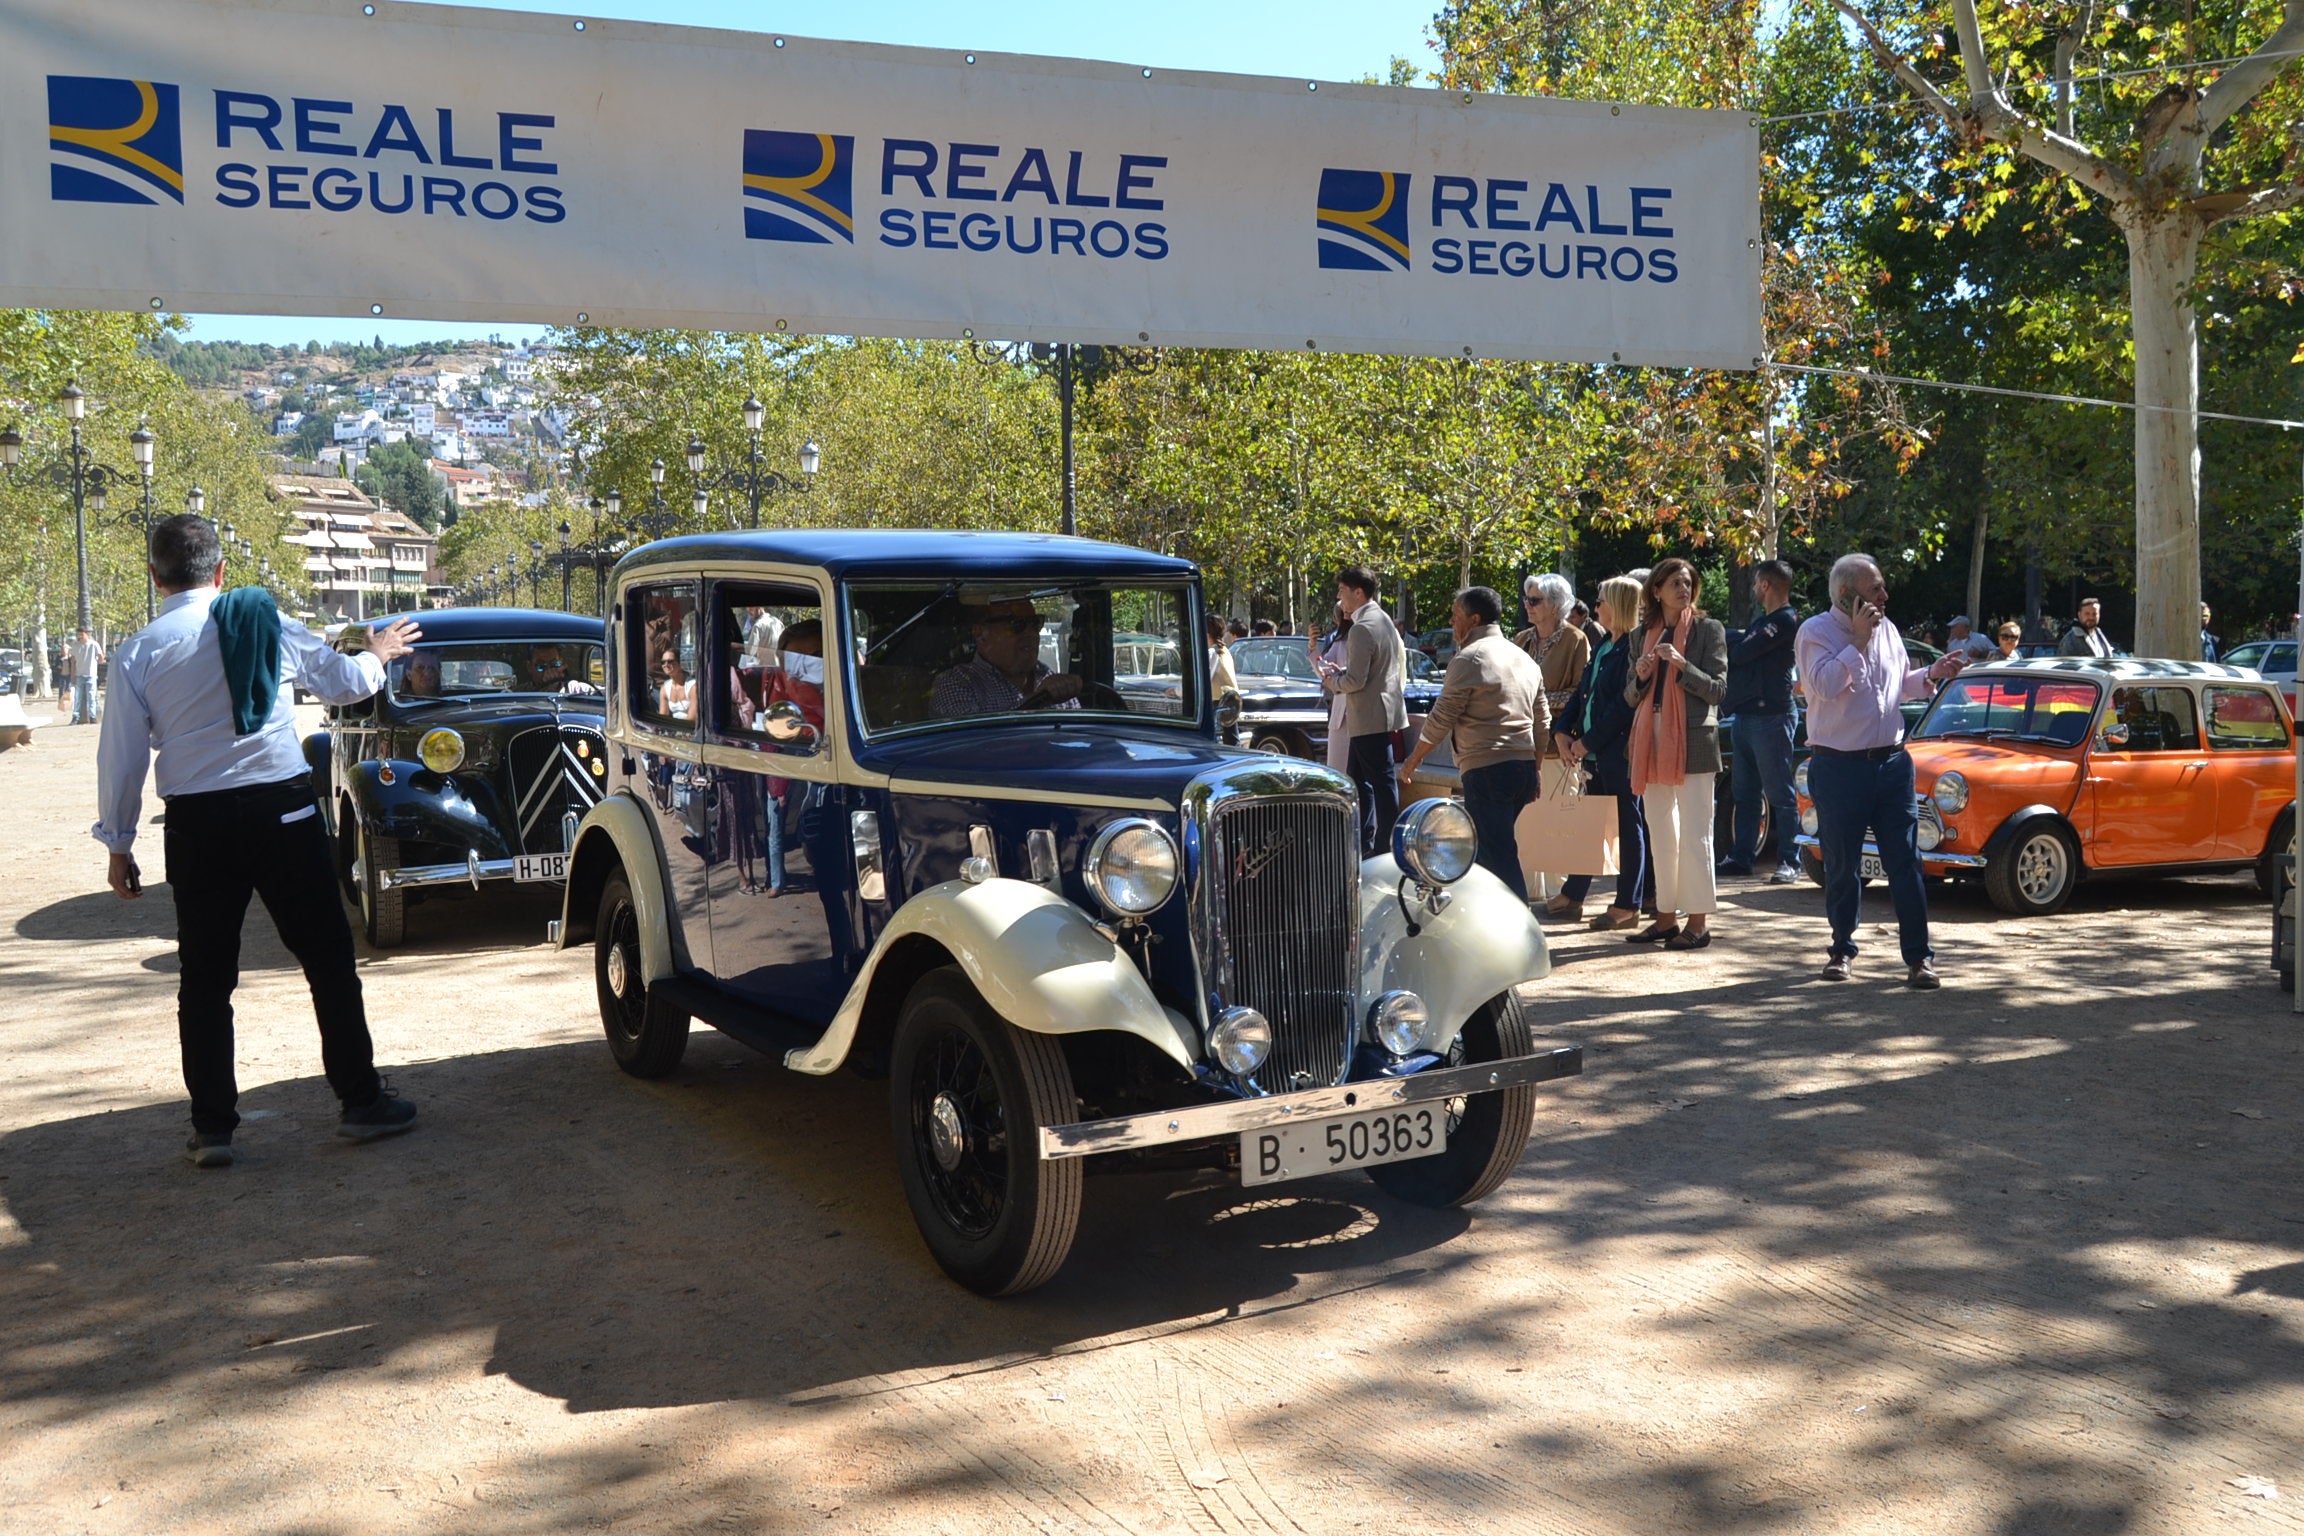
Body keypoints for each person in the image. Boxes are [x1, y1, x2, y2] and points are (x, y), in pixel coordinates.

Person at [93, 514, 424, 1168]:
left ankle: (213, 1127)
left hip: (195, 821)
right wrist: (377, 655)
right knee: (327, 957)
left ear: (154, 576)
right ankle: (360, 1101)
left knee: (206, 977)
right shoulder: (261, 618)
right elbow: (342, 683)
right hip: (280, 810)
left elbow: (122, 759)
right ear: (221, 571)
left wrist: (120, 843)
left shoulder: (138, 651)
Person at [1795, 553, 1968, 988]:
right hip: (1839, 767)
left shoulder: (1888, 628)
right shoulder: (1815, 632)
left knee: (1906, 863)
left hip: (1892, 763)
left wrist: (1933, 672)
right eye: (1875, 589)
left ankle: (1919, 959)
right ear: (1846, 594)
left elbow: (1898, 684)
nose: (1885, 596)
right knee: (1841, 864)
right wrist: (1856, 640)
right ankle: (1841, 951)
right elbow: (1826, 686)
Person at [1400, 587, 1543, 900]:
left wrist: (1413, 761)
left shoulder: (1469, 658)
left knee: (1499, 855)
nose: (1451, 621)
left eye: (1456, 615)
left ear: (1474, 619)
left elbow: (1441, 718)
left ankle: (1521, 931)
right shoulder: (1524, 658)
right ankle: (1487, 925)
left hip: (1487, 770)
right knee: (1485, 852)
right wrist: (1536, 768)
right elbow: (1541, 721)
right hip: (1521, 767)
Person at [1621, 559, 1727, 950]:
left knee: (1696, 832)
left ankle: (1697, 923)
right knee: (1661, 831)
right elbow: (1629, 696)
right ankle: (1666, 917)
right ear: (1656, 590)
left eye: (1688, 583)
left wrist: (1683, 666)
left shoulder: (1707, 630)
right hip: (1650, 740)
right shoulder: (1639, 635)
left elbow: (1717, 690)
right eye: (1675, 583)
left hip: (1694, 741)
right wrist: (1643, 675)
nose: (1684, 588)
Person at [1553, 575, 1652, 929]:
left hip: (1618, 753)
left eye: (1601, 602)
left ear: (1619, 606)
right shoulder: (1605, 645)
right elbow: (1584, 693)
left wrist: (1586, 742)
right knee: (1591, 825)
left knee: (1628, 826)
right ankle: (1573, 895)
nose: (1595, 608)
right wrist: (1563, 732)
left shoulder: (1633, 648)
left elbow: (1622, 709)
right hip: (1593, 752)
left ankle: (1628, 904)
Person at [1513, 574, 1592, 914]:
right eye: (1527, 599)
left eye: (1536, 600)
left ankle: (1559, 893)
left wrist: (1539, 698)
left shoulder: (1577, 641)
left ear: (1557, 605)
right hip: (1522, 744)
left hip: (1560, 743)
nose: (1528, 606)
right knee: (1527, 820)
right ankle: (1528, 889)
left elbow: (1580, 692)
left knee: (1559, 819)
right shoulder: (1520, 640)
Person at [1720, 559, 1801, 883]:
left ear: (1766, 585)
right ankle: (1742, 857)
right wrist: (1740, 641)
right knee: (1745, 793)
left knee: (1780, 793)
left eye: (1756, 583)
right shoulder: (1760, 622)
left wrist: (1736, 642)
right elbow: (1743, 651)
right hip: (1746, 716)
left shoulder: (1785, 620)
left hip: (1773, 717)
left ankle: (1789, 861)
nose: (1753, 588)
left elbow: (1739, 655)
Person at [1325, 564, 1407, 856]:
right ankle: (1368, 843)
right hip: (1377, 713)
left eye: (1343, 591)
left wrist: (1333, 680)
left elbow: (1355, 681)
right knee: (1361, 781)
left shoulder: (1362, 627)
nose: (1339, 596)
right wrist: (1343, 673)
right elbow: (1373, 669)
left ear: (1358, 592)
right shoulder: (1381, 619)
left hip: (1369, 716)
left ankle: (1384, 846)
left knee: (1380, 785)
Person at [931, 597, 1081, 715]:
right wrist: (1038, 699)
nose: (1030, 633)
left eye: (1035, 623)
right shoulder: (956, 683)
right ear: (980, 634)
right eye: (1017, 624)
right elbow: (973, 743)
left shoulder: (1050, 678)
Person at [1310, 602, 1353, 772]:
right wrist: (1312, 647)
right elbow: (1323, 668)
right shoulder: (1339, 641)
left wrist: (1342, 673)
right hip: (1340, 715)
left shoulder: (1369, 636)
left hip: (1363, 716)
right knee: (1337, 770)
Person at [68, 625, 104, 724]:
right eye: (78, 634)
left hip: (90, 674)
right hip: (79, 674)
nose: (80, 636)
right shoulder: (76, 645)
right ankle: (76, 716)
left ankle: (92, 717)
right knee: (78, 697)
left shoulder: (94, 644)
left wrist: (97, 661)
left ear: (87, 634)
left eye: (81, 634)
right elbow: (73, 661)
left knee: (91, 696)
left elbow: (101, 657)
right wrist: (72, 675)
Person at [658, 649, 695, 720]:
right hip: (673, 728)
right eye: (663, 662)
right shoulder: (665, 688)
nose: (666, 665)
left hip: (689, 728)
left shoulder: (693, 686)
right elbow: (663, 717)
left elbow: (692, 719)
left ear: (680, 664)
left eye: (670, 661)